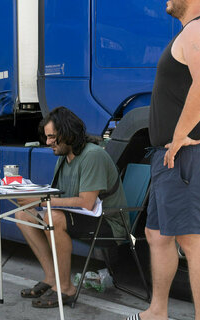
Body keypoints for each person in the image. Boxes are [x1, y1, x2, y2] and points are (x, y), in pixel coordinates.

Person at [114, 0, 200, 320]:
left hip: (189, 154)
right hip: (173, 156)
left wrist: (179, 135)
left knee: (194, 241)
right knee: (156, 234)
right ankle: (157, 312)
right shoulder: (196, 31)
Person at [15, 107, 127, 308]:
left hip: (110, 222)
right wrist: (30, 195)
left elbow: (86, 203)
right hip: (85, 217)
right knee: (23, 215)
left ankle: (66, 288)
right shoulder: (64, 158)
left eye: (52, 137)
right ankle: (51, 278)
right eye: (47, 137)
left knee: (53, 217)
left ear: (67, 133)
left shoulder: (92, 156)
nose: (48, 142)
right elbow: (58, 196)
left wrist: (42, 201)